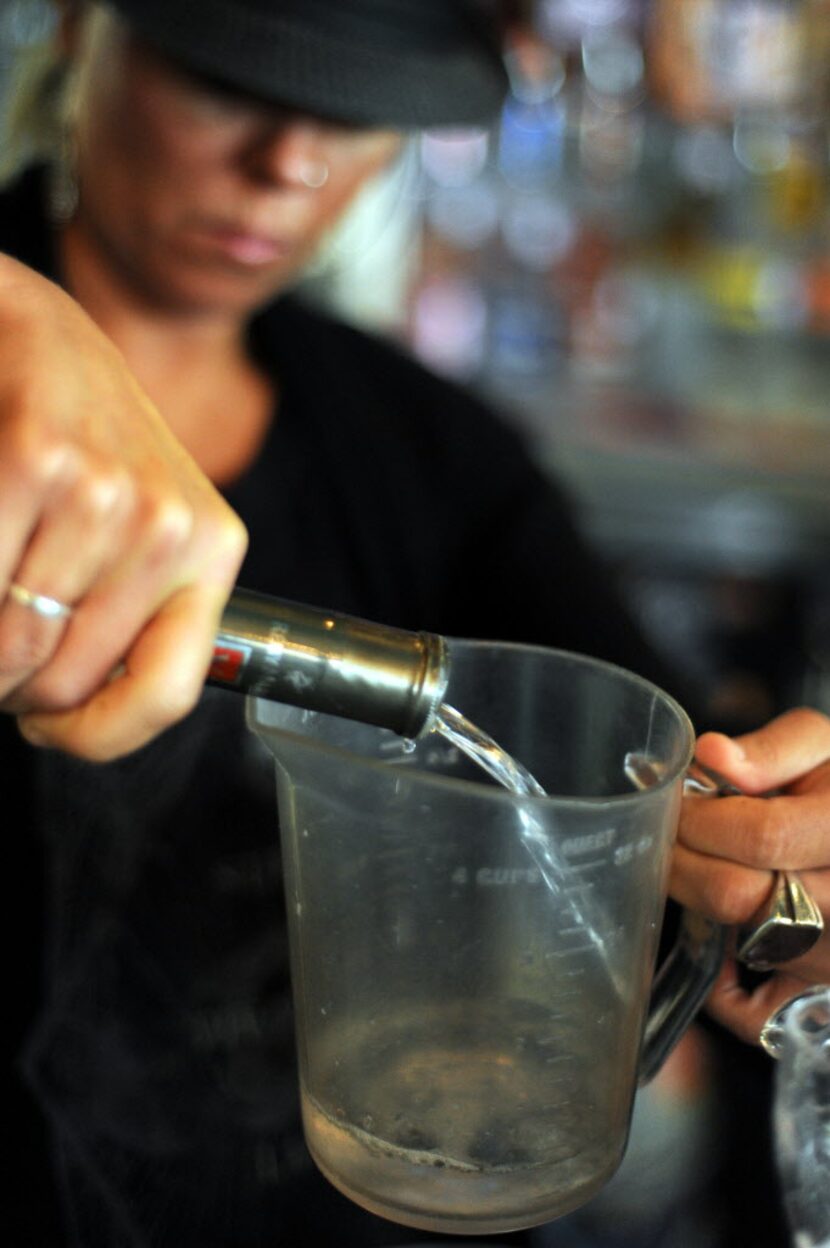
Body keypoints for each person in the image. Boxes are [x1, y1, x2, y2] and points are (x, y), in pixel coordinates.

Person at [0, 2, 827, 1244]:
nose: (289, 164)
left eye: (352, 113)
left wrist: (780, 856)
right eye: (227, 82)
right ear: (81, 32)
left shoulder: (429, 454)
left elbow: (669, 767)